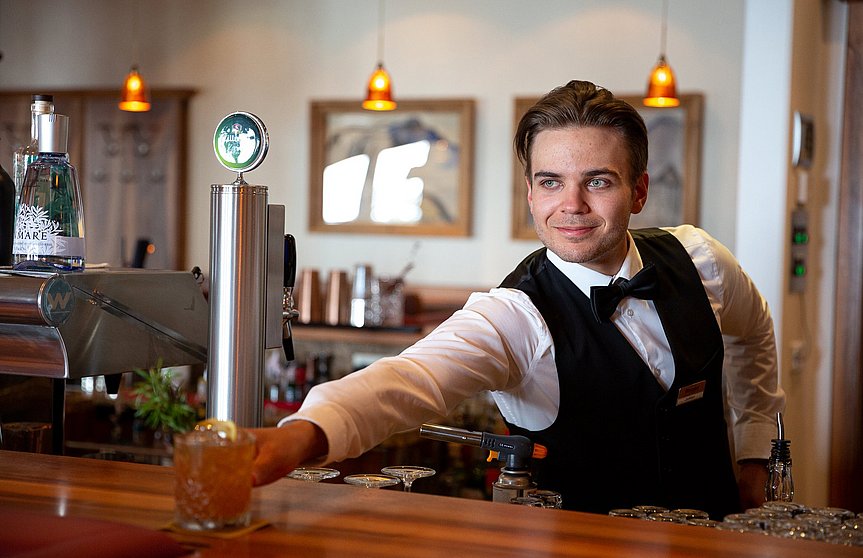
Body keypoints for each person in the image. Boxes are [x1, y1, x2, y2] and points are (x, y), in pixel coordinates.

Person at [250, 80, 784, 518]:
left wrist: (754, 451)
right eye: (551, 182)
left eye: (597, 181)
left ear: (639, 191)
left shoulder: (699, 259)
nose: (570, 205)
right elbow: (410, 379)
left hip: (716, 538)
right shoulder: (514, 315)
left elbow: (755, 331)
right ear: (530, 193)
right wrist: (304, 432)